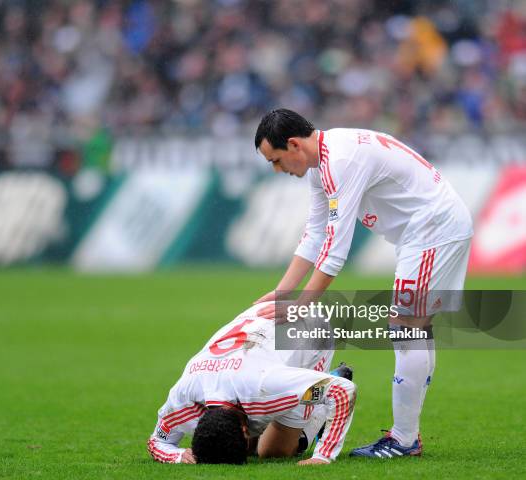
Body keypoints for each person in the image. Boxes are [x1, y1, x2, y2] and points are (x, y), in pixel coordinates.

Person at [253, 109, 473, 458]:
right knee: (415, 327)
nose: (278, 170)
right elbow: (314, 235)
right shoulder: (321, 164)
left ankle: (403, 440)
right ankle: (405, 438)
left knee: (405, 326)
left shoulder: (341, 160)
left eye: (276, 160)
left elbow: (335, 250)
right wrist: (282, 293)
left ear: (294, 144)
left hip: (433, 230)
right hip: (426, 232)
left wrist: (301, 305)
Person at [147, 302, 356, 465]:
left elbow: (342, 392)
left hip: (308, 329)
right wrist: (178, 454)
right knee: (243, 446)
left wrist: (323, 456)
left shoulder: (268, 387)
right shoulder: (182, 399)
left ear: (245, 430)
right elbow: (157, 441)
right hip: (261, 334)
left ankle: (325, 388)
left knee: (274, 452)